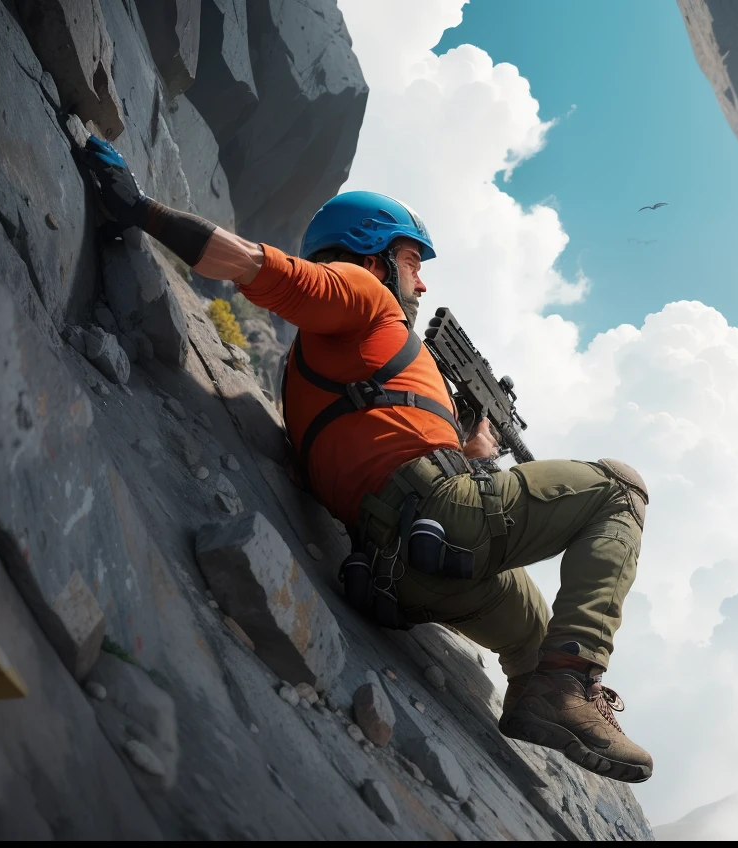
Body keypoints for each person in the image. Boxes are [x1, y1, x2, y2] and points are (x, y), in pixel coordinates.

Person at [76, 137, 654, 783]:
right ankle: (568, 686)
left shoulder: (309, 374)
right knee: (618, 489)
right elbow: (263, 269)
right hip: (441, 521)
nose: (421, 279)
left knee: (533, 627)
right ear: (373, 256)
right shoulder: (364, 293)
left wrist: (469, 453)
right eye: (411, 259)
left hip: (394, 570)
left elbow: (373, 456)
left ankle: (539, 702)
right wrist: (142, 210)